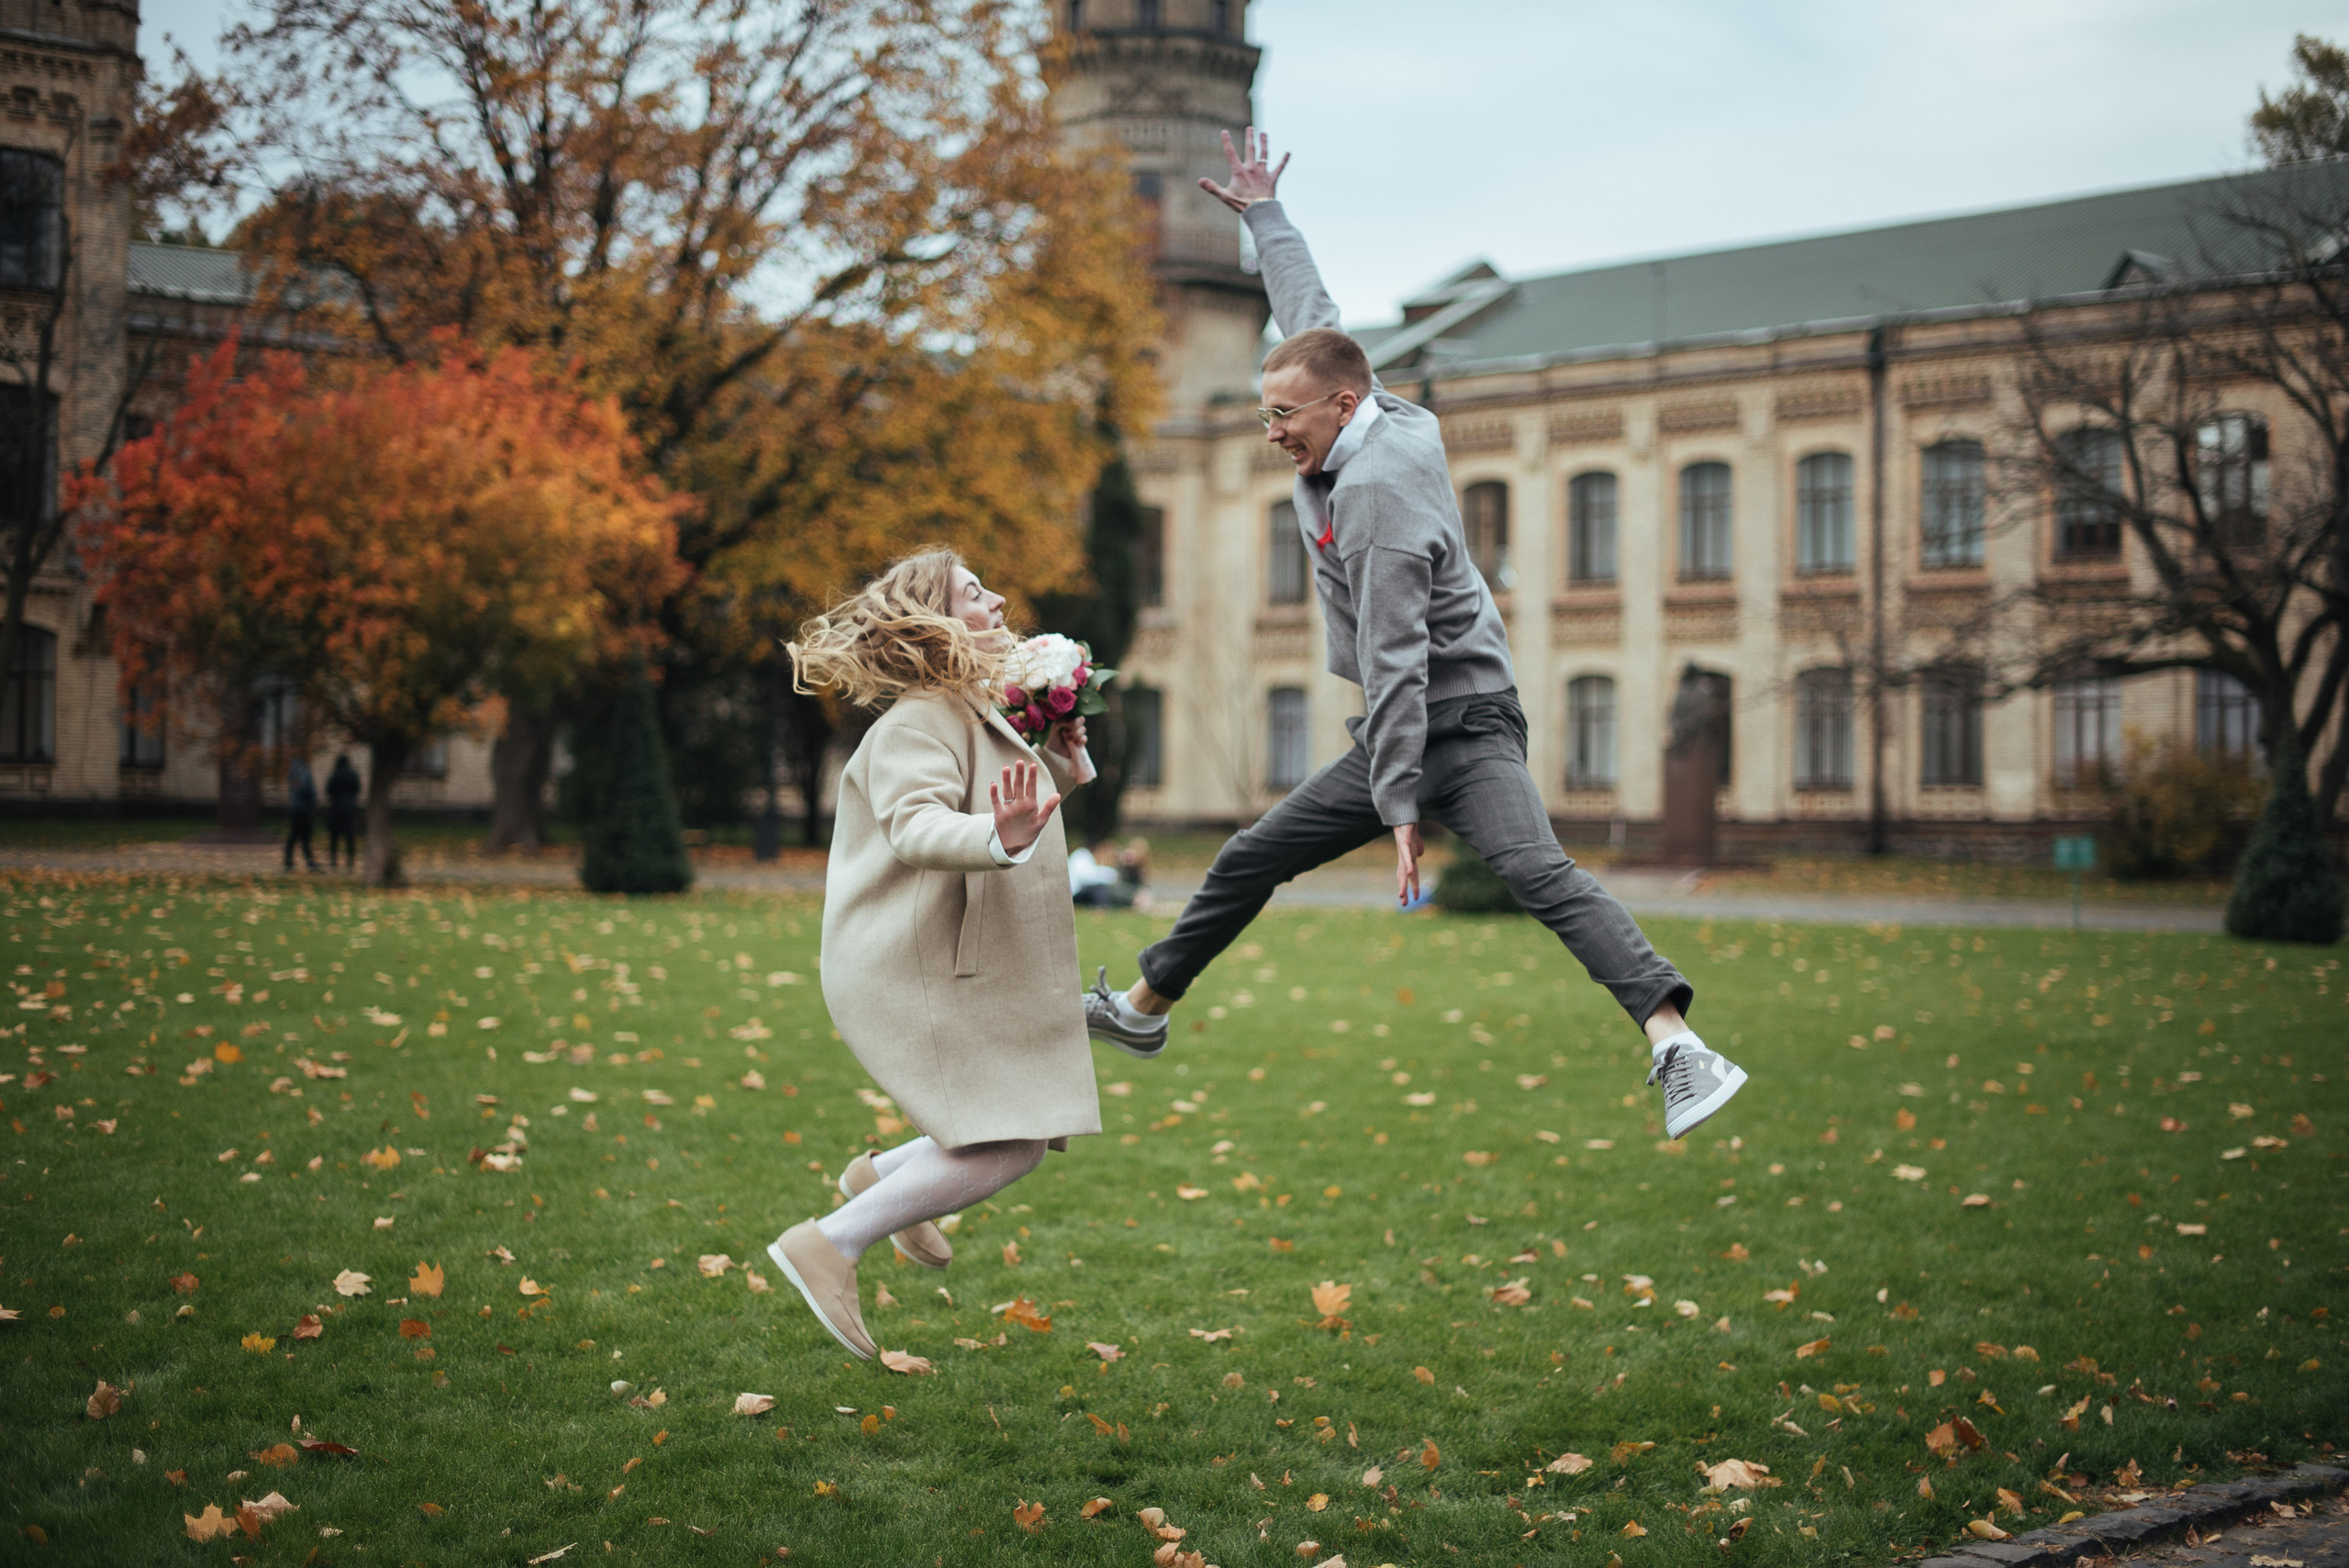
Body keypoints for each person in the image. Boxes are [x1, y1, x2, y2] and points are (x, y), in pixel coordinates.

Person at [1081, 129, 1749, 1141]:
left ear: (1341, 409)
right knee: (1249, 855)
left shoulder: (1381, 490)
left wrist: (1398, 808)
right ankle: (1141, 1012)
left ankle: (1676, 1044)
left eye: (1283, 417)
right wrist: (1265, 217)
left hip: (1461, 723)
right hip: (1406, 729)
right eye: (1266, 414)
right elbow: (1314, 322)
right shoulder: (1366, 405)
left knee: (1539, 873)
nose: (1272, 432)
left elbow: (1399, 665)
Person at [772, 548, 1100, 1360]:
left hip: (956, 957)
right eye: (973, 592)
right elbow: (919, 826)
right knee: (1015, 1136)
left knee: (1019, 1125)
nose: (997, 598)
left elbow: (1007, 806)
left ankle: (881, 1184)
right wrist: (997, 833)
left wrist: (1063, 760)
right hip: (906, 961)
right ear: (937, 622)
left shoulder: (972, 712)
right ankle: (833, 1241)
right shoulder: (919, 720)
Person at [325, 753, 362, 870]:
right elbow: (357, 789)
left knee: (334, 836)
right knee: (349, 836)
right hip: (349, 808)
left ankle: (333, 860)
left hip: (336, 808)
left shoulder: (335, 774)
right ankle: (350, 861)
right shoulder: (352, 775)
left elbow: (329, 789)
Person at [284, 756, 320, 872]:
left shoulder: (292, 773)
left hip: (296, 809)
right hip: (304, 809)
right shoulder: (303, 773)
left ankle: (289, 860)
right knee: (304, 836)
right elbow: (307, 789)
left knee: (295, 835)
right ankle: (310, 862)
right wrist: (313, 799)